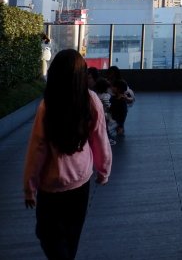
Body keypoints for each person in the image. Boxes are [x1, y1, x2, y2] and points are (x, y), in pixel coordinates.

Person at [23, 49, 112, 260]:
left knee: (47, 234)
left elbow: (37, 149)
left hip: (50, 186)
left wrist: (29, 187)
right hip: (81, 182)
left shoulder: (47, 106)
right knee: (71, 236)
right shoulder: (91, 101)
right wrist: (103, 170)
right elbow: (100, 139)